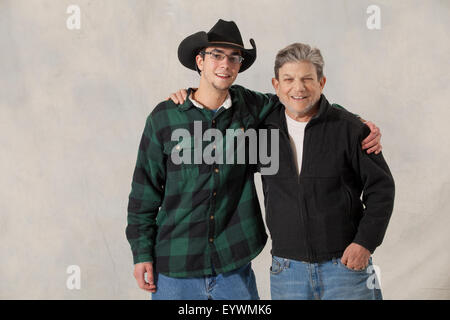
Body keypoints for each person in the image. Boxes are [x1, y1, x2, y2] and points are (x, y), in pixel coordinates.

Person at [127, 19, 381, 300]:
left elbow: (301, 100)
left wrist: (357, 124)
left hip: (233, 266)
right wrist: (141, 254)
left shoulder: (252, 107)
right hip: (175, 266)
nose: (226, 64)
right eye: (216, 55)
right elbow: (144, 193)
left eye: (234, 57)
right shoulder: (164, 117)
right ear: (199, 61)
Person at [261, 43, 395, 300]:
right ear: (276, 85)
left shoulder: (350, 129)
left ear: (322, 83)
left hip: (345, 267)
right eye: (288, 79)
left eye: (307, 79)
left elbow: (382, 189)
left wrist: (365, 242)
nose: (298, 88)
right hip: (287, 272)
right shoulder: (261, 132)